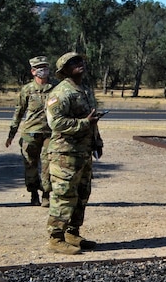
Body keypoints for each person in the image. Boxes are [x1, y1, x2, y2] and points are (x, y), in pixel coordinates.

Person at [45, 52, 104, 255]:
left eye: (80, 61)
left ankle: (72, 233)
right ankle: (56, 238)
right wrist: (84, 123)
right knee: (64, 195)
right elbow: (56, 123)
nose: (79, 64)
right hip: (65, 154)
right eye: (73, 63)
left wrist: (97, 141)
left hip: (83, 153)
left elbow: (92, 119)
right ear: (65, 69)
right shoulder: (60, 93)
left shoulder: (84, 90)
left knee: (82, 194)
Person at [6, 56, 56, 207]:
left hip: (50, 133)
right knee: (30, 165)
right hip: (30, 133)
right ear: (33, 71)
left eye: (46, 67)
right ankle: (34, 194)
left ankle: (46, 195)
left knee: (48, 166)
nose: (43, 70)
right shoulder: (27, 90)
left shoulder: (56, 87)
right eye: (40, 68)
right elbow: (19, 112)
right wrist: (11, 134)